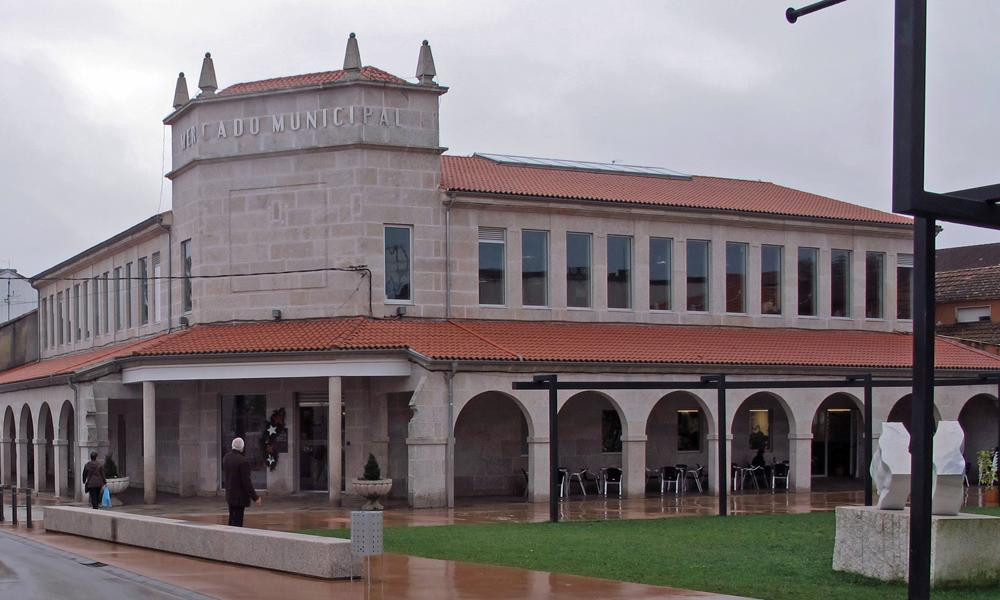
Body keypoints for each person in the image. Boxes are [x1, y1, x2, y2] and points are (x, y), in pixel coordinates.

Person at [222, 437, 261, 527]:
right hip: (239, 497)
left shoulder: (226, 458)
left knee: (231, 519)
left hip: (230, 494)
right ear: (242, 447)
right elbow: (246, 482)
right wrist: (255, 497)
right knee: (237, 522)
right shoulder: (243, 461)